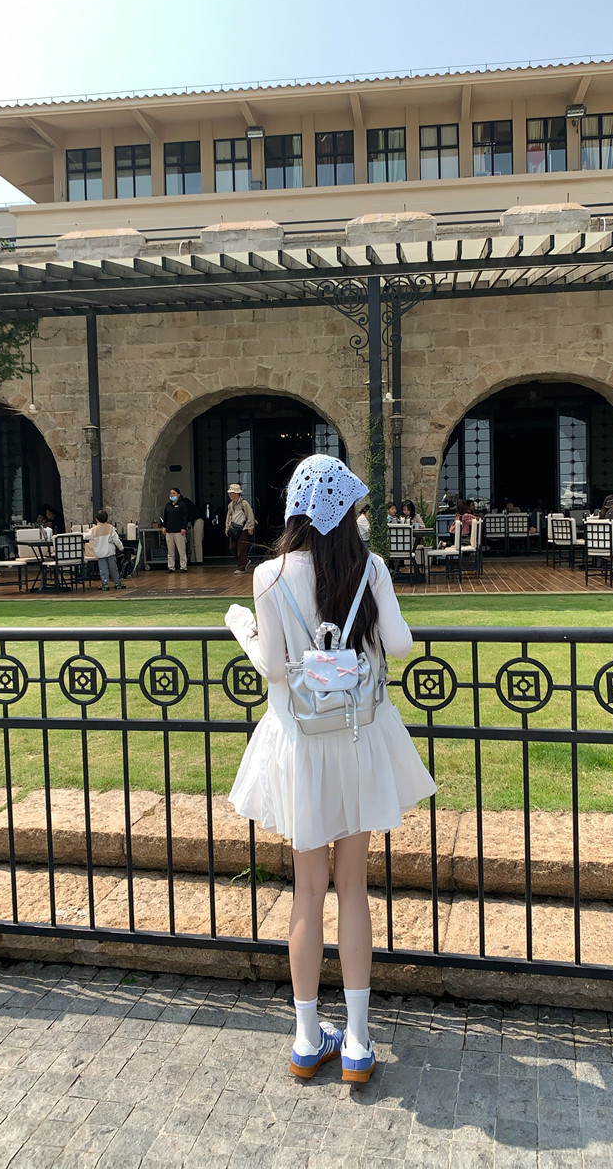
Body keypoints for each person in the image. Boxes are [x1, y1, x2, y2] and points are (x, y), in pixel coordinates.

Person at [225, 455, 436, 1083]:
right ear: (346, 510)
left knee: (308, 891)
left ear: (295, 507)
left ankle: (306, 1036)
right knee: (354, 889)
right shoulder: (368, 567)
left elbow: (273, 667)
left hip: (301, 745)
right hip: (358, 739)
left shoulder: (269, 575)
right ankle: (359, 1042)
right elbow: (400, 644)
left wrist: (242, 628)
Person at [89, 509, 126, 590]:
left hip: (100, 553)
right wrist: (121, 547)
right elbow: (116, 540)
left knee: (103, 569)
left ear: (96, 519)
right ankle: (117, 583)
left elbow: (86, 536)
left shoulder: (94, 530)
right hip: (110, 552)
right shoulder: (111, 528)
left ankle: (105, 584)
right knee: (114, 568)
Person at [225, 484, 255, 574]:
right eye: (230, 493)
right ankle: (245, 560)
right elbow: (228, 517)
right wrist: (227, 527)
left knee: (241, 548)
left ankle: (242, 567)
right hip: (234, 529)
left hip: (244, 528)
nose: (230, 495)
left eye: (232, 493)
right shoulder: (230, 505)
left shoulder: (244, 503)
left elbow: (250, 515)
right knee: (232, 547)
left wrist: (250, 526)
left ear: (237, 494)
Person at [161, 488, 189, 572]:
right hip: (169, 530)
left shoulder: (182, 505)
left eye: (174, 493)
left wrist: (184, 527)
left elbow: (185, 517)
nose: (172, 495)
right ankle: (171, 567)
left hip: (179, 530)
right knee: (170, 551)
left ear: (178, 495)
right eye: (171, 493)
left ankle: (183, 567)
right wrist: (164, 526)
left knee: (181, 550)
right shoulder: (168, 505)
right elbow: (165, 517)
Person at [182, 493, 204, 565]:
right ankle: (193, 559)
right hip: (192, 521)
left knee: (197, 541)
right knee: (192, 541)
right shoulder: (185, 501)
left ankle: (199, 560)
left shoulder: (183, 503)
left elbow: (185, 515)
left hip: (197, 520)